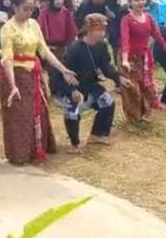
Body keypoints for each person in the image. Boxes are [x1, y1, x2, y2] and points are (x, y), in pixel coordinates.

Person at [0, 0, 78, 165]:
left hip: (33, 74)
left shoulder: (34, 24)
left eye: (31, 9)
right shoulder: (7, 28)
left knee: (39, 111)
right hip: (17, 76)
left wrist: (62, 69)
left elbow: (44, 50)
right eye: (25, 9)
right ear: (15, 7)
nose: (28, 13)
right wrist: (12, 85)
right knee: (20, 115)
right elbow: (7, 58)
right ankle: (19, 154)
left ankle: (38, 149)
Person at [55, 14, 130, 154]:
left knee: (108, 103)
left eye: (103, 30)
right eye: (98, 30)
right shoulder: (75, 49)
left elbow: (106, 67)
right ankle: (74, 143)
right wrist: (71, 91)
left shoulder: (101, 46)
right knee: (72, 112)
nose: (102, 33)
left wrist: (119, 78)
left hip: (90, 85)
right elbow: (60, 75)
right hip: (73, 88)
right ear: (88, 29)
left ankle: (98, 134)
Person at [120, 0, 166, 123]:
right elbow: (125, 39)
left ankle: (144, 113)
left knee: (145, 86)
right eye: (136, 0)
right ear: (130, 2)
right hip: (129, 59)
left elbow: (158, 37)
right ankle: (134, 117)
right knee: (132, 89)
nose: (140, 2)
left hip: (144, 58)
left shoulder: (149, 18)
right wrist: (124, 59)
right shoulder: (126, 19)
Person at [38, 0, 78, 96]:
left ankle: (62, 91)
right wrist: (45, 45)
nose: (59, 1)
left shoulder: (65, 11)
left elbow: (71, 30)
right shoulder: (45, 13)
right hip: (50, 48)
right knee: (52, 71)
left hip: (63, 47)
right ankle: (53, 92)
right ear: (51, 0)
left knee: (64, 69)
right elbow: (40, 30)